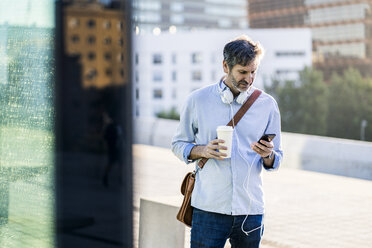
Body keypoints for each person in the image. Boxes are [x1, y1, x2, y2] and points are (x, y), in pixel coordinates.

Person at [171, 35, 283, 248]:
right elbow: (178, 144)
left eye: (253, 72)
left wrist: (267, 154)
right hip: (209, 209)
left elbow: (277, 158)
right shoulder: (198, 100)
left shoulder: (268, 105)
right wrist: (201, 150)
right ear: (225, 66)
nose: (249, 79)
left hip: (251, 211)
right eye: (242, 72)